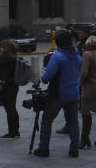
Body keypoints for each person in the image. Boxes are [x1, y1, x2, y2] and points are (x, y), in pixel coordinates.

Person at [33, 30, 83, 158]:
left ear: (57, 42)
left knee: (47, 119)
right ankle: (74, 149)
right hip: (74, 93)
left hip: (59, 93)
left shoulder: (58, 56)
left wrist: (42, 78)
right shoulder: (77, 55)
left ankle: (44, 148)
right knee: (73, 121)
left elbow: (47, 77)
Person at [0, 39, 21, 139]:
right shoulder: (11, 56)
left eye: (1, 47)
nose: (0, 48)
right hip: (11, 85)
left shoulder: (6, 57)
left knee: (10, 109)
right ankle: (15, 131)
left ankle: (12, 132)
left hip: (7, 86)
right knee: (12, 108)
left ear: (5, 48)